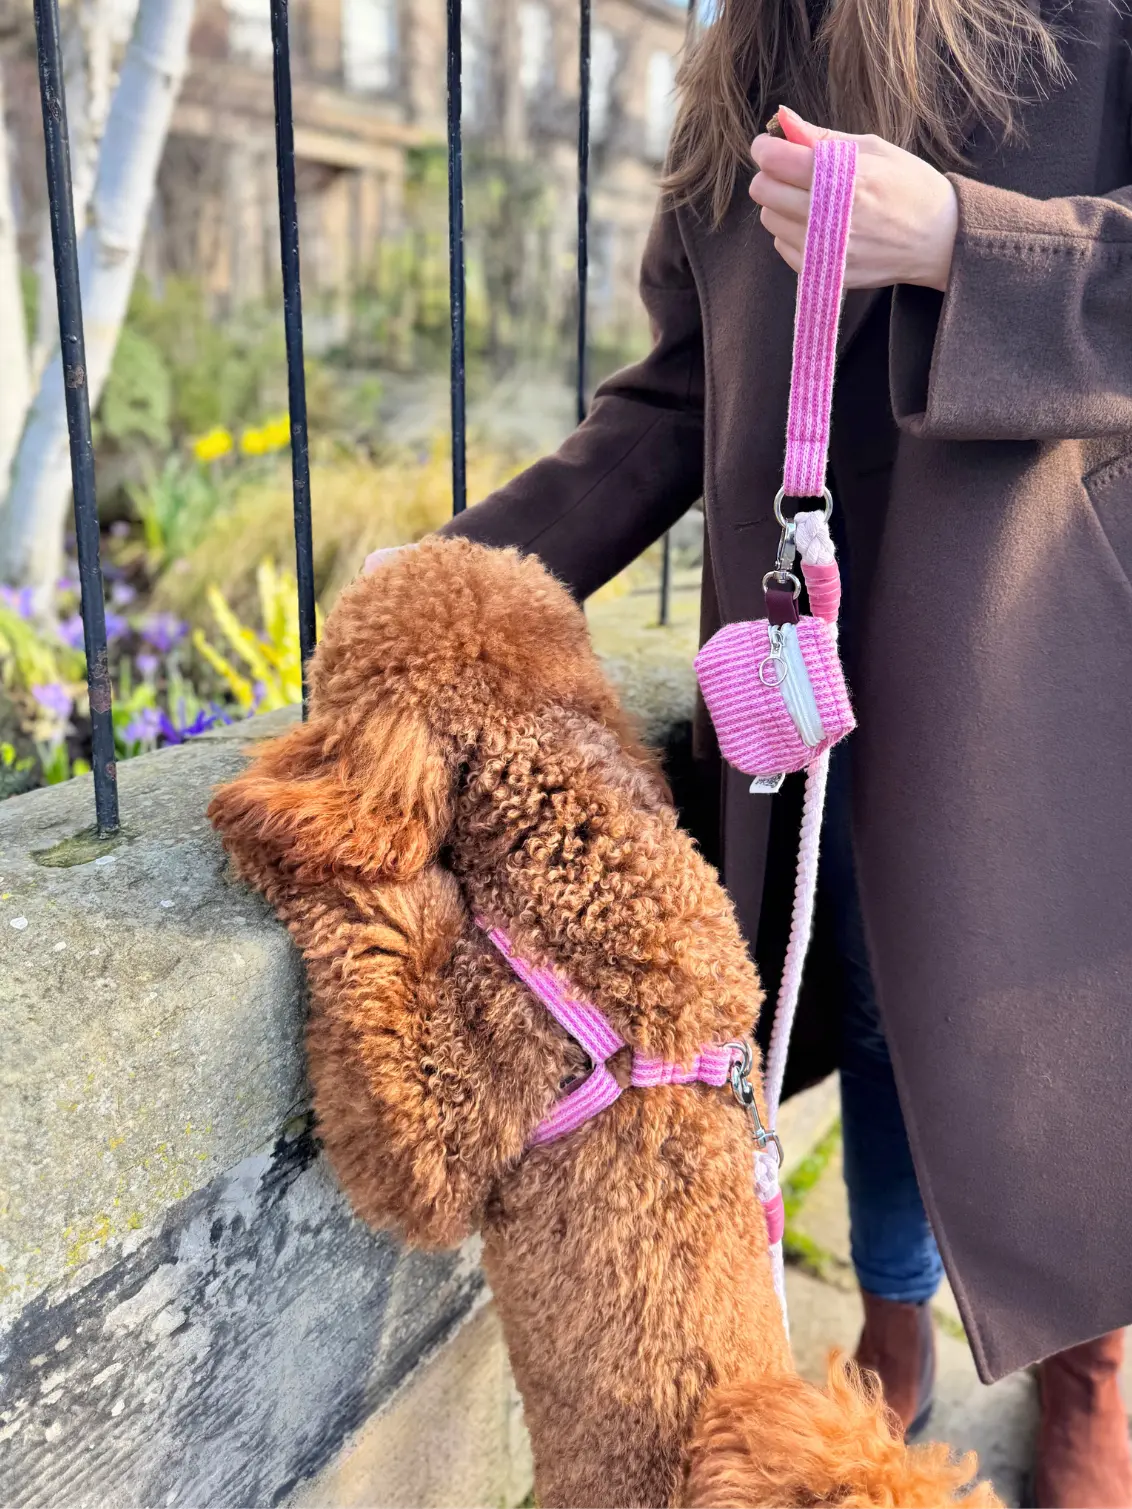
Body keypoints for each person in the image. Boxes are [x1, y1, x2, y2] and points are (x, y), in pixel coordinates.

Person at [369, 2, 1132, 1502]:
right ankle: (895, 1312)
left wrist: (966, 245)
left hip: (1046, 658)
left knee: (1055, 1038)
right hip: (814, 673)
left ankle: (1088, 1358)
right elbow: (677, 395)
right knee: (887, 1009)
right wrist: (449, 577)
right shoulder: (750, 52)